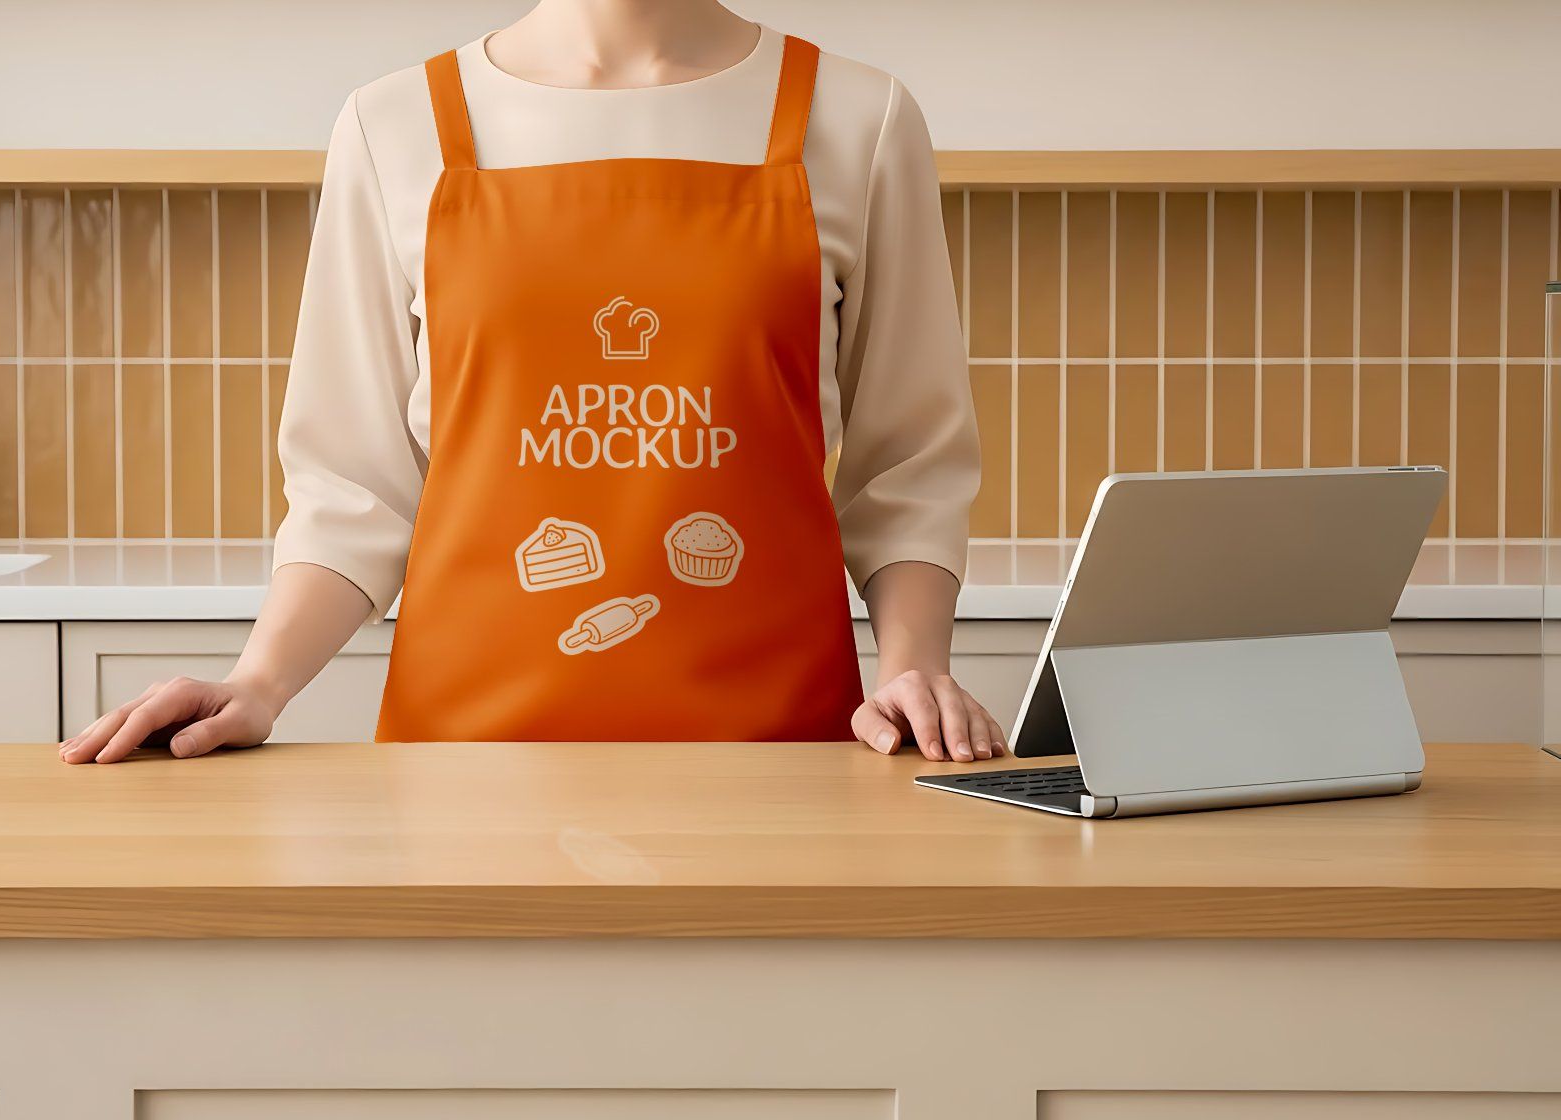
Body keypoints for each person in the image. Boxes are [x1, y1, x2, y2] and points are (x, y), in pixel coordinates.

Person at [60, 0, 996, 765]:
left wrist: (912, 674)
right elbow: (355, 487)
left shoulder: (856, 118)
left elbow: (906, 462)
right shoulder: (396, 124)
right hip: (463, 762)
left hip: (780, 760)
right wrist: (256, 683)